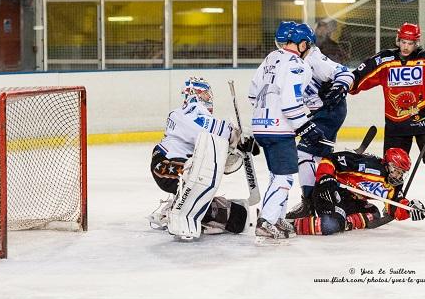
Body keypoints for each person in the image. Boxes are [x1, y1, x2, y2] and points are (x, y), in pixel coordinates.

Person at [350, 22, 425, 220]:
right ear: (398, 40)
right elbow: (358, 78)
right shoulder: (385, 60)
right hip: (397, 125)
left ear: (416, 43)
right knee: (393, 167)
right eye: (403, 42)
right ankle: (392, 203)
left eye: (410, 43)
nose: (405, 47)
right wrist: (344, 83)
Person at [149, 76, 259, 239]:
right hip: (165, 164)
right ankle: (179, 212)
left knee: (200, 172)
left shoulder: (189, 114)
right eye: (206, 94)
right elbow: (211, 127)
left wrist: (237, 145)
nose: (209, 98)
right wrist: (238, 136)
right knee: (197, 174)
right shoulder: (188, 111)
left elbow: (216, 143)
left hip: (165, 164)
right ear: (195, 93)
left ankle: (183, 208)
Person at [248, 21, 324, 243]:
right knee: (284, 178)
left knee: (276, 174)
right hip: (279, 128)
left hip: (261, 125)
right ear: (301, 44)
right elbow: (291, 105)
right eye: (307, 45)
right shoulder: (297, 65)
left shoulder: (270, 58)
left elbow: (253, 95)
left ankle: (278, 217)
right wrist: (306, 126)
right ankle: (267, 221)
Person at [274, 22, 355, 221]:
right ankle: (325, 197)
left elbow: (346, 73)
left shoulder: (314, 58)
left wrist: (338, 89)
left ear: (303, 45)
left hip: (330, 111)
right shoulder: (292, 62)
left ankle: (310, 203)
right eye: (281, 45)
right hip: (318, 113)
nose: (284, 50)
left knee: (304, 152)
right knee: (319, 158)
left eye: (287, 45)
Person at [292, 148, 425, 235]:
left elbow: (394, 207)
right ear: (388, 165)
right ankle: (293, 225)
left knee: (374, 213)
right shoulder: (367, 165)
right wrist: (325, 178)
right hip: (330, 192)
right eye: (396, 171)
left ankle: (344, 222)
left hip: (351, 200)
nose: (399, 176)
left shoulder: (394, 185)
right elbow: (330, 159)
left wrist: (409, 209)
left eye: (402, 173)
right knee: (330, 225)